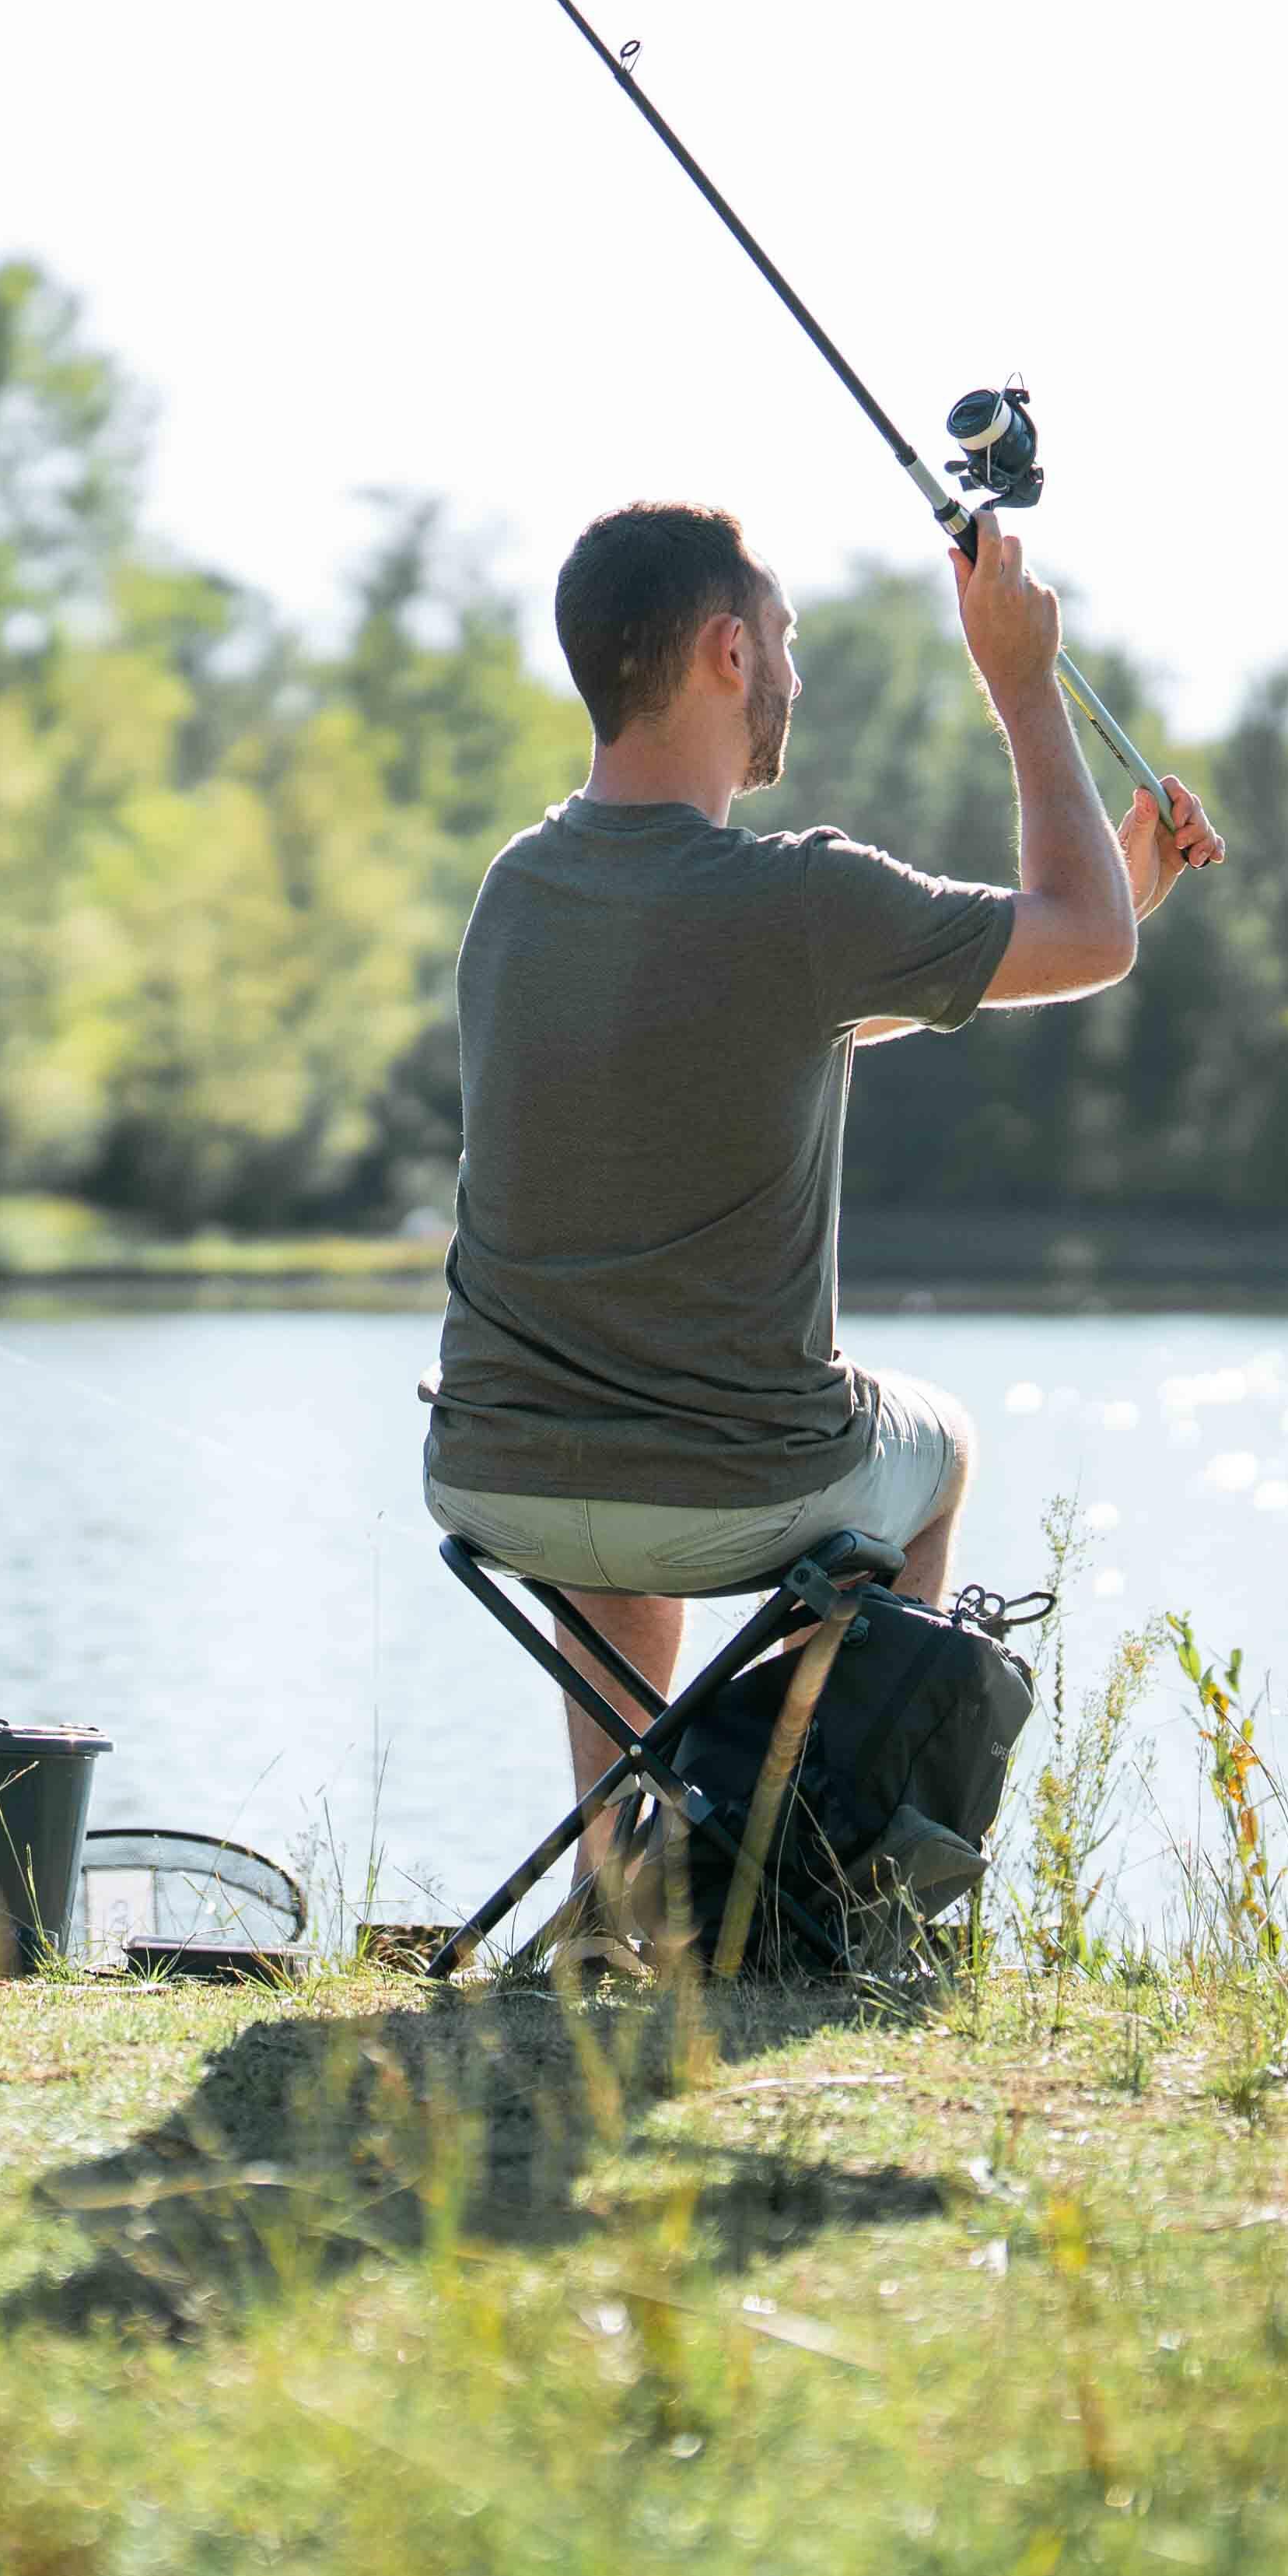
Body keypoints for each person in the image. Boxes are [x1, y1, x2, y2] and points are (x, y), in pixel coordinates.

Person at [428, 500, 1212, 1812]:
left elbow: (807, 1015)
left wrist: (1104, 897)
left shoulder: (519, 890)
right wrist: (1019, 682)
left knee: (617, 1472)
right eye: (784, 640)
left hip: (499, 1475)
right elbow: (1084, 938)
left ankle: (621, 1869)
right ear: (729, 654)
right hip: (746, 1482)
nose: (798, 673)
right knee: (942, 1448)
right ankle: (814, 1873)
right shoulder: (800, 898)